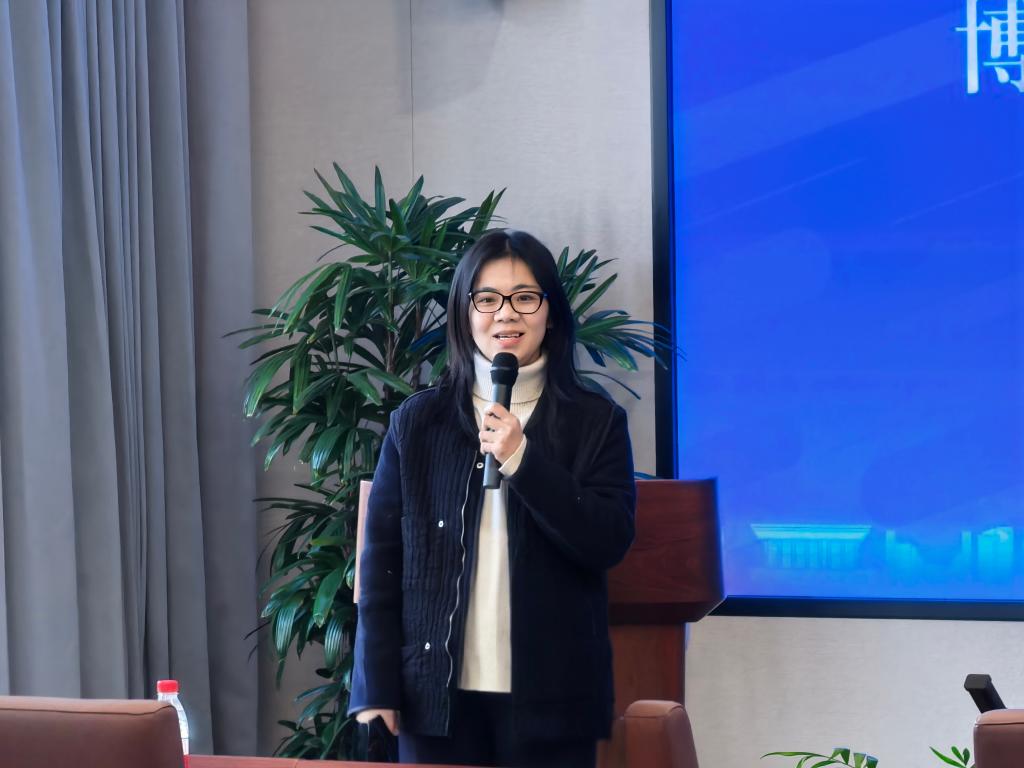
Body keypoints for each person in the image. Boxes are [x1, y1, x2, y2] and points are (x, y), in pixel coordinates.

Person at [348, 229, 636, 768]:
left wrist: (523, 459)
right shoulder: (418, 423)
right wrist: (374, 686)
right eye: (487, 299)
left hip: (555, 699)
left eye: (525, 297)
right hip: (433, 698)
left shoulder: (596, 421)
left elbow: (607, 539)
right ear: (465, 313)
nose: (506, 314)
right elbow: (382, 564)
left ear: (551, 312)